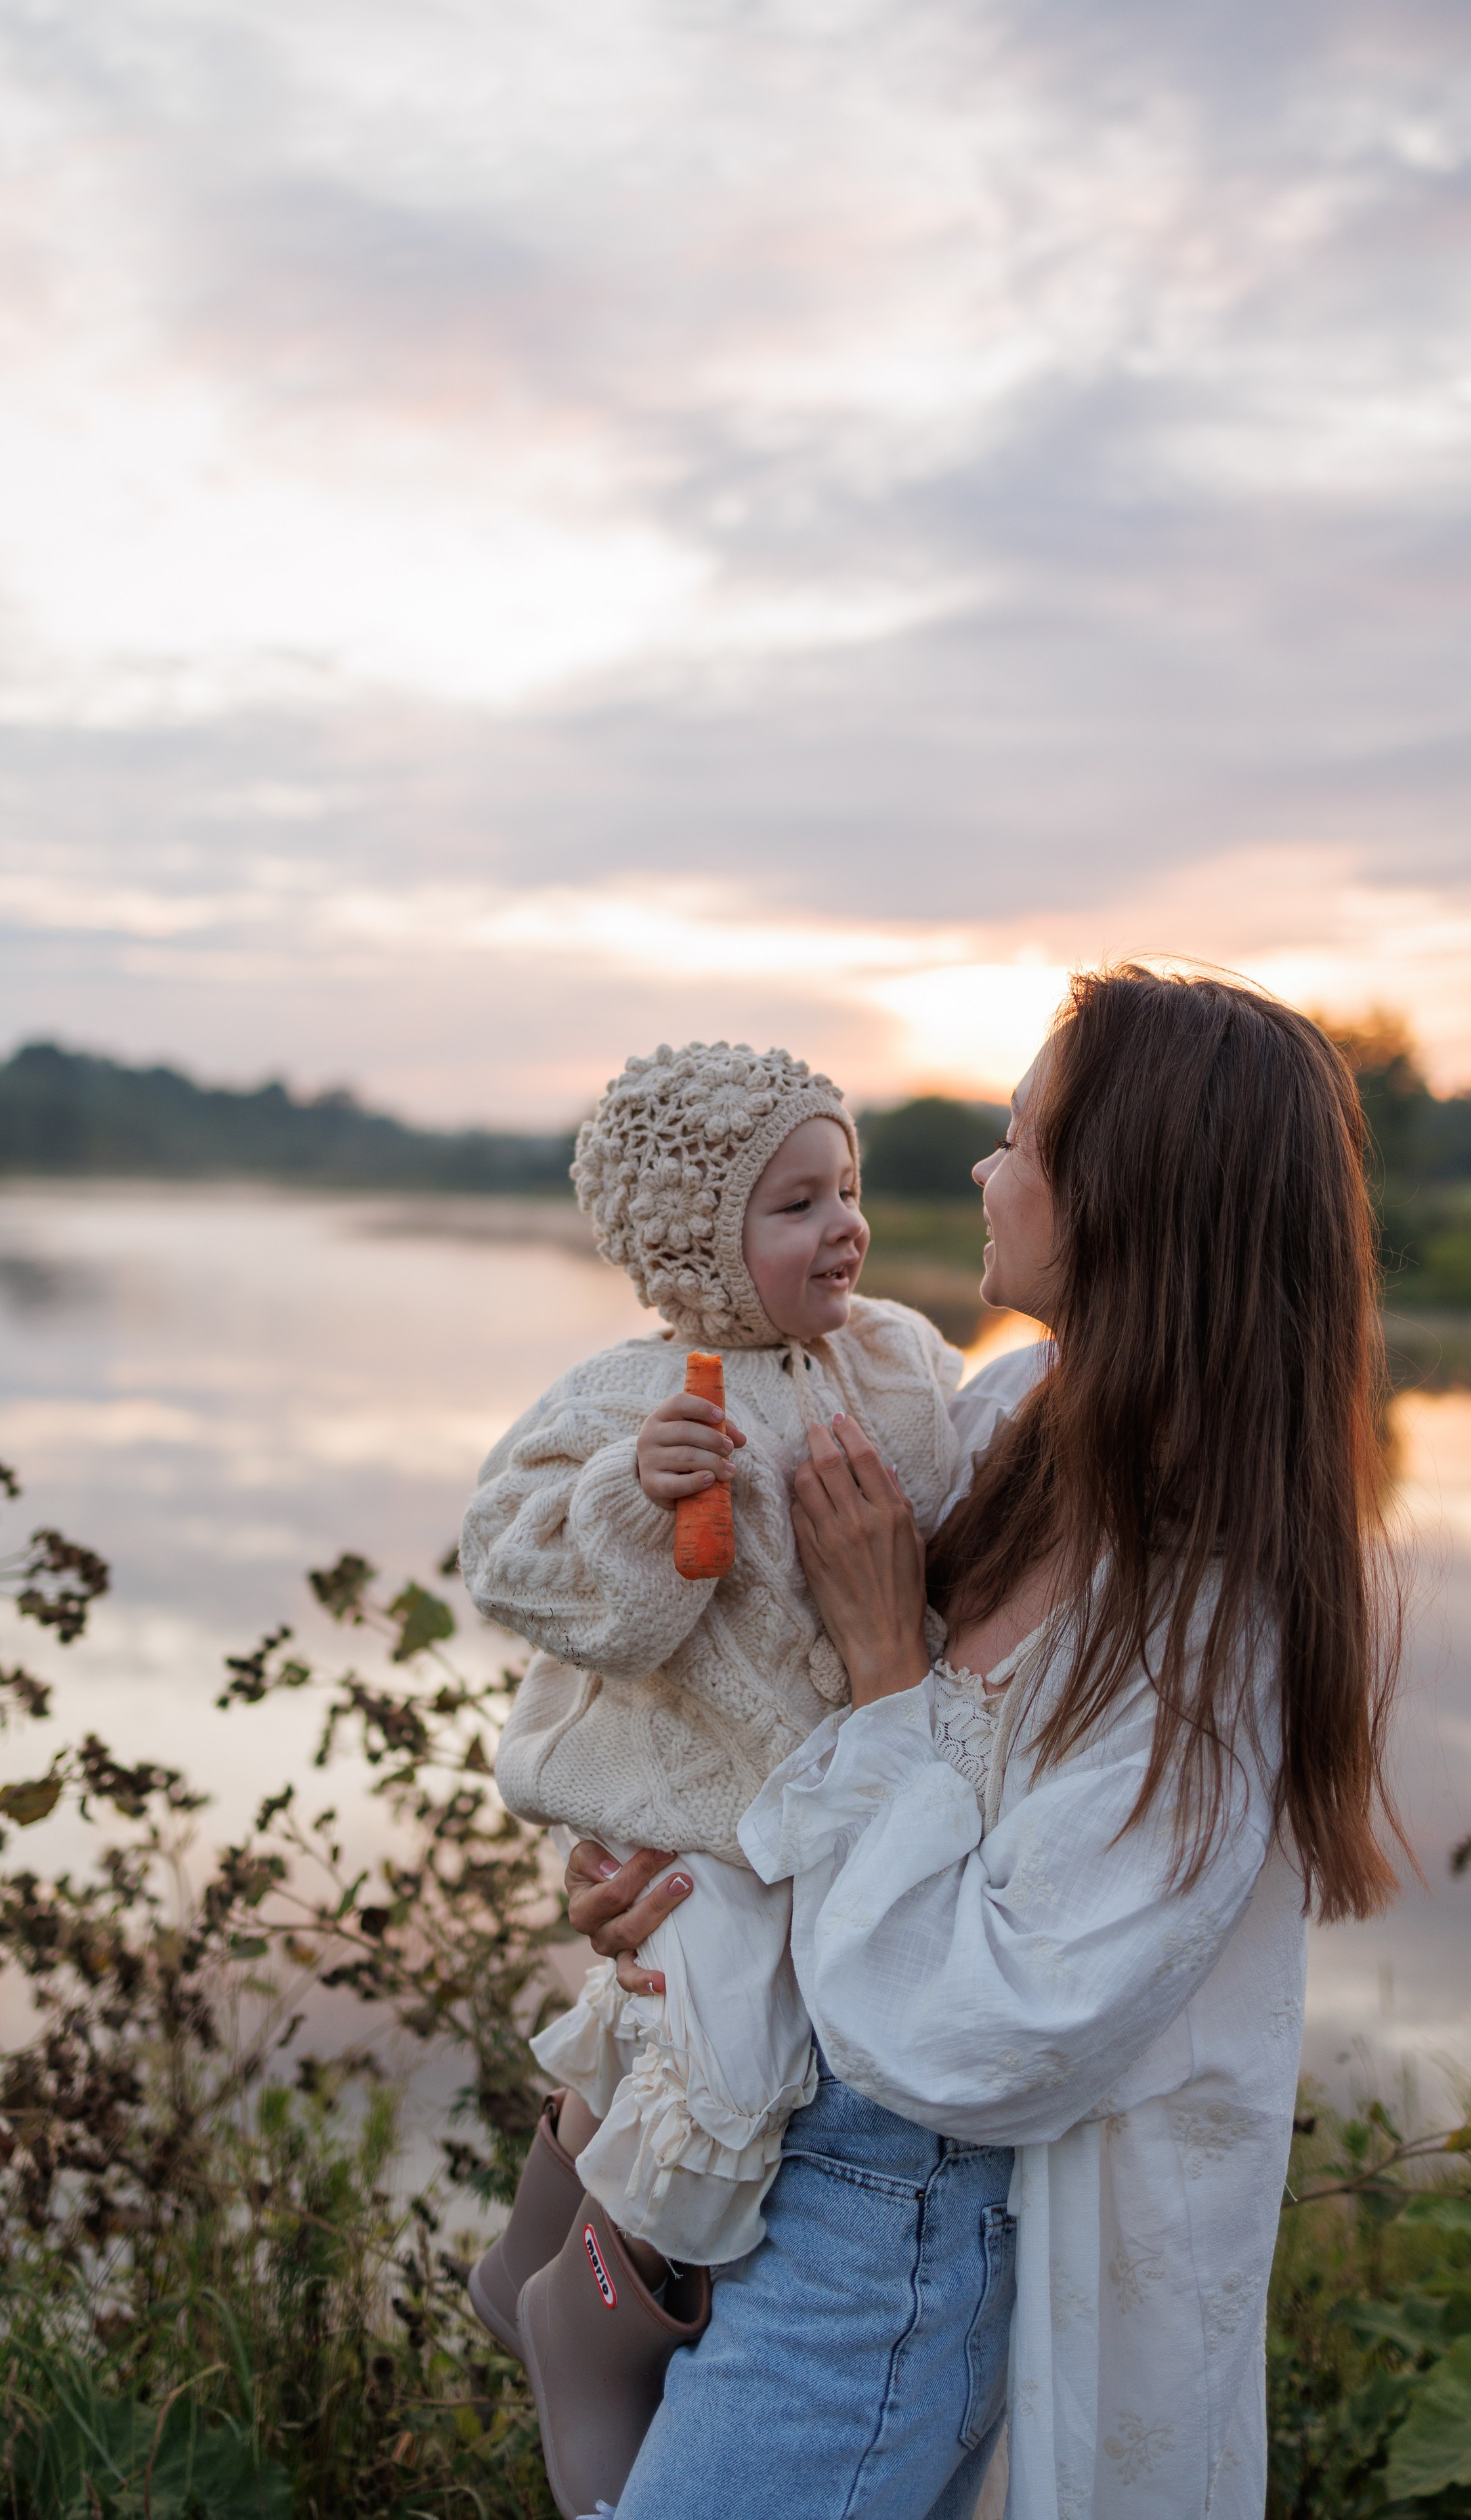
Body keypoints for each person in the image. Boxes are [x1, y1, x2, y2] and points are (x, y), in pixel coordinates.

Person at [565, 967, 1403, 2520]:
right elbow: (756, 1701)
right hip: (779, 2159)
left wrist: (892, 1661)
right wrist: (658, 1870)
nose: (979, 1166)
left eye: (1019, 1135)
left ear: (1127, 1199)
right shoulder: (1003, 1414)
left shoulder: (1211, 1623)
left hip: (895, 2228)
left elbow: (986, 2032)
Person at [458, 1040, 970, 2515]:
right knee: (729, 2055)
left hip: (826, 1798)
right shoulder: (627, 1395)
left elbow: (953, 1515)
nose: (845, 1228)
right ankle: (591, 2316)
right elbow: (520, 1565)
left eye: (849, 1189)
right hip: (699, 1811)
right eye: (795, 1204)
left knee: (664, 2035)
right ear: (691, 1237)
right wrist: (637, 1497)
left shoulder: (896, 1359)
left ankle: (525, 2268)